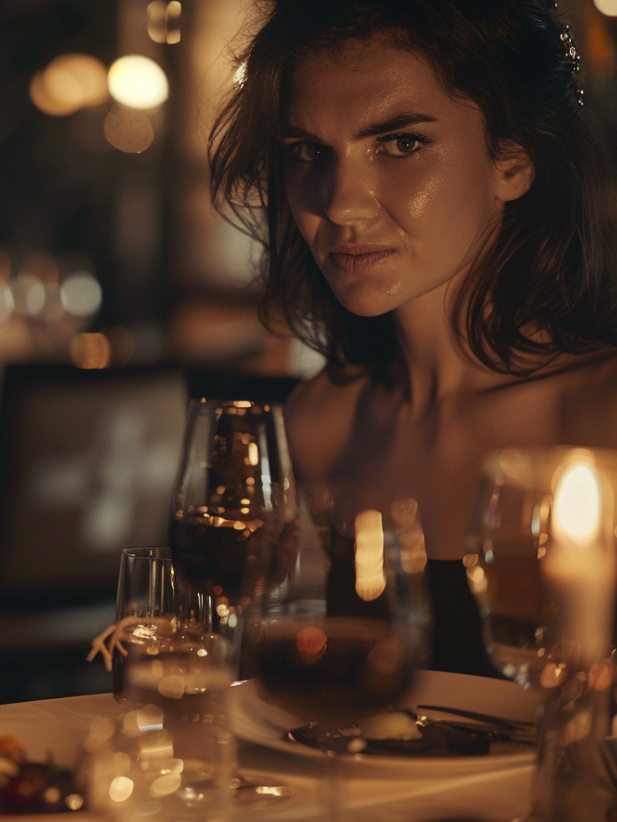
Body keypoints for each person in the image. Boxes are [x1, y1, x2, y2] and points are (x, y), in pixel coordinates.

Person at [209, 0, 617, 675]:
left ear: (511, 162)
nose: (338, 202)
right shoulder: (323, 422)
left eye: (399, 143)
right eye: (308, 151)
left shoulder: (599, 420)